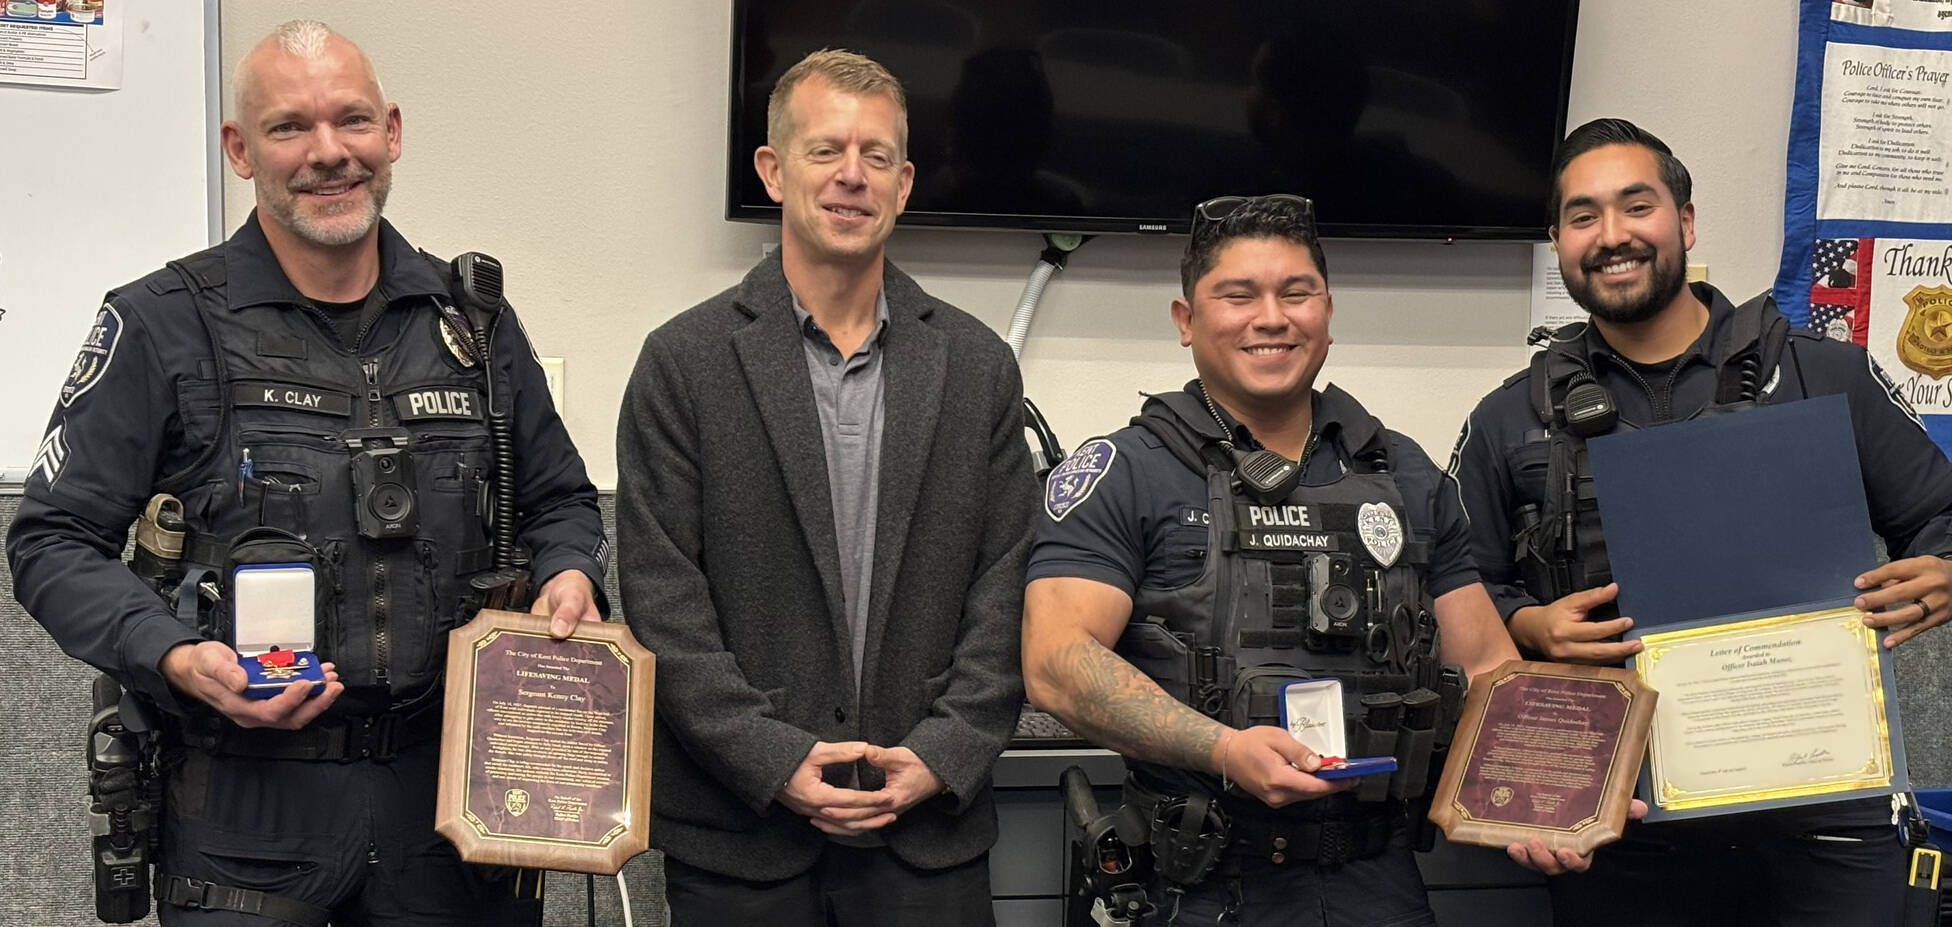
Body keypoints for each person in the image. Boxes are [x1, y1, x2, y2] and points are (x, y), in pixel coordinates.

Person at [5, 21, 608, 926]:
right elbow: (51, 541)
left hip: (449, 816)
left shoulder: (473, 325)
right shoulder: (163, 324)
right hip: (245, 820)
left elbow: (560, 496)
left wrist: (569, 570)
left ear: (392, 132)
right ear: (240, 150)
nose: (330, 154)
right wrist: (170, 653)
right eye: (291, 127)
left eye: (353, 121)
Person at [1450, 117, 1952, 927]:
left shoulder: (1824, 374)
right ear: (1558, 242)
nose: (1611, 235)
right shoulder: (1512, 417)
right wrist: (1529, 621)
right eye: (1583, 216)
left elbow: (1944, 515)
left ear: (1684, 221)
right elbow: (1456, 585)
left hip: (1825, 810)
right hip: (1620, 827)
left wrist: (1947, 572)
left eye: (1635, 206)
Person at [1021, 194, 1569, 927]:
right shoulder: (1125, 471)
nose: (1271, 317)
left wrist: (1553, 797)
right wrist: (1222, 748)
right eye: (1237, 295)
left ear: (1328, 311)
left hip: (1376, 879)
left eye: (1296, 292)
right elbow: (1055, 661)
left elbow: (1487, 668)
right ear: (1186, 321)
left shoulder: (1404, 473)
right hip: (1200, 883)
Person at [615, 49, 1033, 926]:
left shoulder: (978, 367)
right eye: (825, 150)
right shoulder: (682, 364)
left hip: (927, 838)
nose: (852, 175)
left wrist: (946, 748)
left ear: (906, 182)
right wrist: (771, 756)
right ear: (772, 169)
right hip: (739, 840)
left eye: (876, 156)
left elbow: (1006, 586)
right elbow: (662, 599)